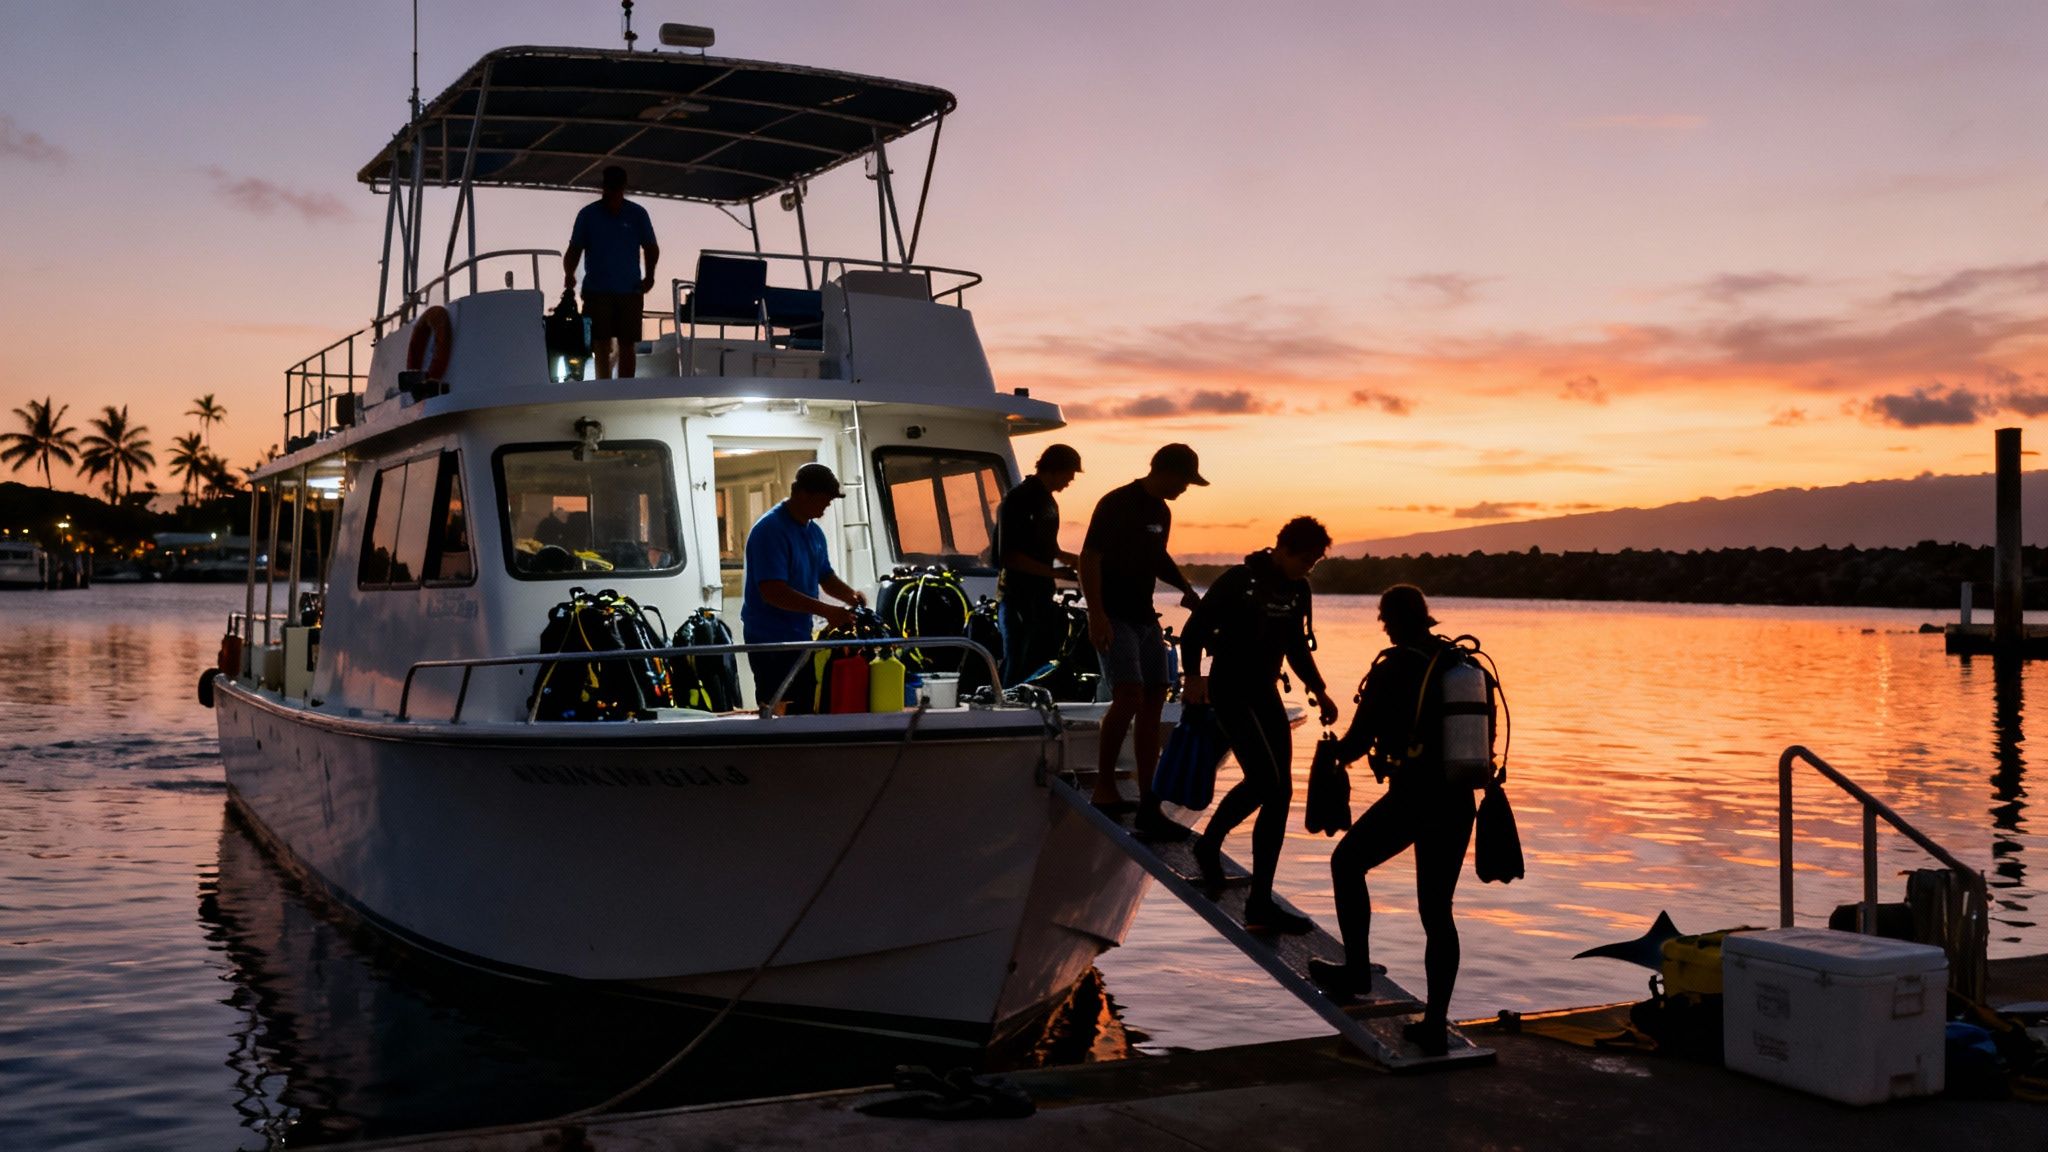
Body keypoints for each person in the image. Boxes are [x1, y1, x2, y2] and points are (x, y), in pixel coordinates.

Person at [1308, 584, 1475, 1057]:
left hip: (1414, 798)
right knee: (1437, 912)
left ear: (1392, 619)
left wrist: (1331, 754)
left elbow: (1359, 740)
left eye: (1384, 617)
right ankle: (1436, 1022)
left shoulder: (1395, 666)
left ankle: (1357, 970)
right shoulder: (1456, 663)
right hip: (1458, 800)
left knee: (1347, 863)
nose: (1382, 625)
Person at [1180, 516, 1340, 933]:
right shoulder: (1239, 580)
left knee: (1279, 791)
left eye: (1316, 561)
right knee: (1269, 783)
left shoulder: (1297, 589)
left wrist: (1319, 690)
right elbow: (1194, 631)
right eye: (1306, 558)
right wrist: (1193, 679)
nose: (1310, 567)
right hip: (1230, 689)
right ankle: (1215, 849)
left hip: (1265, 692)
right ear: (1283, 549)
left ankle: (1258, 896)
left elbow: (1295, 646)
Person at [1080, 443, 1206, 840]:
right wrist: (1096, 613)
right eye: (1184, 481)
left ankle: (1150, 801)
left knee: (1156, 696)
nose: (1185, 489)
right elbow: (1089, 557)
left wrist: (1185, 587)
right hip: (1114, 615)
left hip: (1144, 615)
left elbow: (1158, 557)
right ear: (1164, 471)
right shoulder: (1117, 503)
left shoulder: (1161, 512)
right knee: (1128, 696)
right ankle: (1105, 786)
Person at [741, 463, 867, 714]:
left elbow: (825, 576)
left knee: (805, 704)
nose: (827, 506)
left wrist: (851, 596)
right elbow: (773, 591)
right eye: (824, 500)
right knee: (780, 710)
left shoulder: (814, 533)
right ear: (802, 493)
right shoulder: (770, 530)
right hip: (770, 641)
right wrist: (828, 611)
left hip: (800, 638)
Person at [996, 443, 1082, 684]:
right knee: (1017, 658)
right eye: (1070, 474)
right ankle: (1005, 706)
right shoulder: (1018, 498)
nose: (1070, 480)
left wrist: (1075, 561)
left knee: (1039, 657)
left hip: (1041, 597)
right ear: (1055, 469)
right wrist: (1054, 572)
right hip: (1016, 597)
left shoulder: (1048, 502)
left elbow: (1049, 548)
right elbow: (1009, 557)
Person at [563, 165, 660, 380]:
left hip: (630, 290)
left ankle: (626, 388)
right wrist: (569, 274)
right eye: (610, 188)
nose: (613, 193)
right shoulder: (588, 215)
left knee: (627, 342)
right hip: (597, 290)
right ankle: (603, 385)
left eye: (616, 188)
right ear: (604, 188)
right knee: (600, 342)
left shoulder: (637, 214)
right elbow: (574, 249)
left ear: (623, 187)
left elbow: (651, 247)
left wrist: (650, 277)